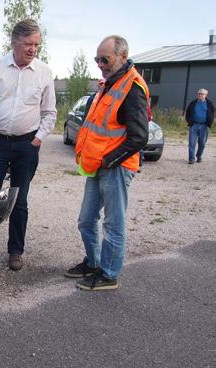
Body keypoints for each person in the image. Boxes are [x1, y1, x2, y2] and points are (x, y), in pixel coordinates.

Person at [0, 19, 57, 272]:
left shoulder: (44, 73)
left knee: (20, 199)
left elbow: (50, 112)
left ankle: (15, 251)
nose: (33, 49)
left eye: (36, 44)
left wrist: (39, 138)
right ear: (14, 42)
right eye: (28, 44)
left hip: (26, 145)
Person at [65, 35, 149, 291]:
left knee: (113, 224)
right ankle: (93, 262)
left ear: (123, 57)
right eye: (97, 59)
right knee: (86, 220)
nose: (100, 64)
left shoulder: (132, 88)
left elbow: (139, 138)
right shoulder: (109, 84)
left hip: (115, 168)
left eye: (105, 59)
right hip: (97, 166)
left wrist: (108, 161)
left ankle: (109, 274)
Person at [185, 88, 214, 164]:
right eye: (199, 94)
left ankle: (199, 156)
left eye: (202, 94)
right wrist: (189, 121)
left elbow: (212, 114)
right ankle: (191, 159)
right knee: (191, 142)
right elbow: (187, 112)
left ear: (206, 95)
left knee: (202, 143)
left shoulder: (209, 104)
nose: (200, 95)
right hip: (194, 125)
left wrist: (209, 123)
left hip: (204, 126)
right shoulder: (193, 103)